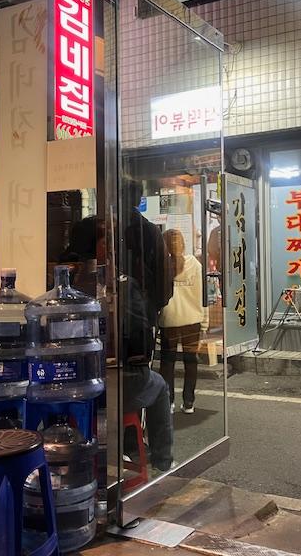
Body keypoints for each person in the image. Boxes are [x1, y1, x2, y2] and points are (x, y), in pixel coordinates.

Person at [122, 179, 174, 472]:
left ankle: (128, 446)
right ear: (138, 199)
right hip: (138, 321)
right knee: (144, 381)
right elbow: (163, 284)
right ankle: (145, 452)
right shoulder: (148, 231)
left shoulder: (95, 227)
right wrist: (151, 307)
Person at [159, 229, 209, 415]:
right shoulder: (195, 264)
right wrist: (205, 323)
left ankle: (168, 402)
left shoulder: (162, 265)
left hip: (169, 319)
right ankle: (189, 402)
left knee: (167, 363)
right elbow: (203, 295)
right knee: (191, 361)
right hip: (192, 320)